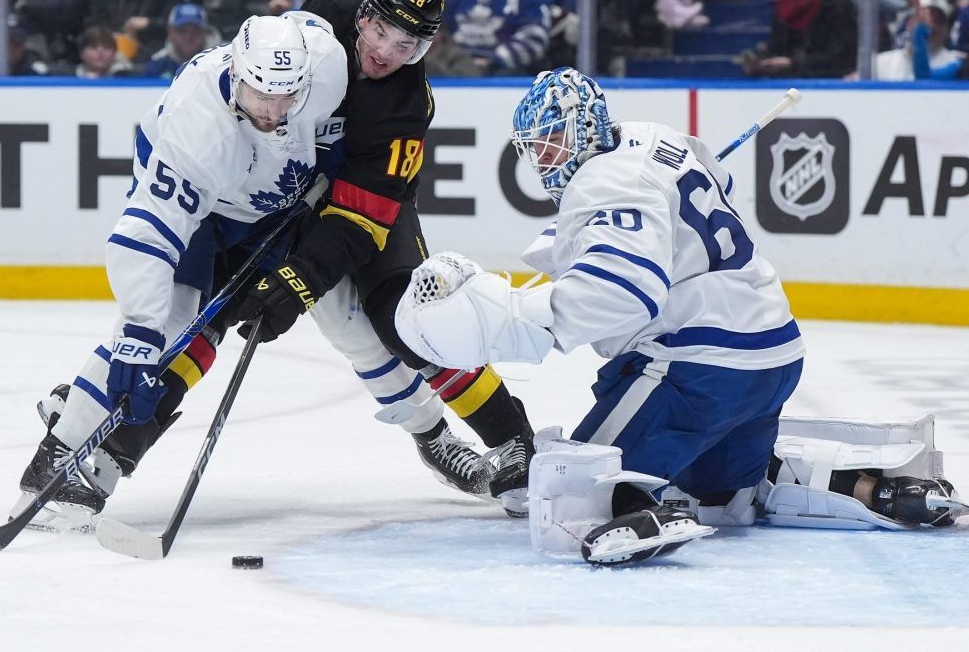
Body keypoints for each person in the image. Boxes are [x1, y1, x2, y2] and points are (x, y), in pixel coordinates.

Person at [394, 67, 969, 565]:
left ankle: (640, 509)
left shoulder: (604, 180)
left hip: (696, 367)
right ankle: (875, 489)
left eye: (553, 141)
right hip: (771, 356)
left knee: (566, 488)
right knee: (722, 498)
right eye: (535, 146)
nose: (544, 157)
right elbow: (707, 193)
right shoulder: (654, 138)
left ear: (586, 128)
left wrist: (515, 315)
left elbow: (620, 294)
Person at [16, 12, 349, 529]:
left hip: (263, 206)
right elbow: (146, 236)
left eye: (287, 96)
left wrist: (329, 155)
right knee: (172, 325)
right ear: (237, 72)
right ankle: (54, 458)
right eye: (261, 94)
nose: (273, 110)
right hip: (204, 206)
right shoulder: (198, 127)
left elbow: (322, 49)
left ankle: (85, 417)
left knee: (201, 334)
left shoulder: (325, 67)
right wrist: (137, 337)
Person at [224, 0, 538, 515]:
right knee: (343, 330)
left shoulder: (406, 104)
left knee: (407, 322)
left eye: (408, 44)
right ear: (362, 18)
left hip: (369, 204)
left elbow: (360, 217)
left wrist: (298, 282)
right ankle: (432, 437)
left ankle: (511, 435)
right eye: (382, 33)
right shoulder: (323, 16)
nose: (388, 53)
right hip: (289, 188)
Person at [143, 2, 221, 79]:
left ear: (205, 32)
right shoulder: (158, 64)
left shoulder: (222, 61)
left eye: (195, 31)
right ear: (170, 32)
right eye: (181, 31)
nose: (188, 37)